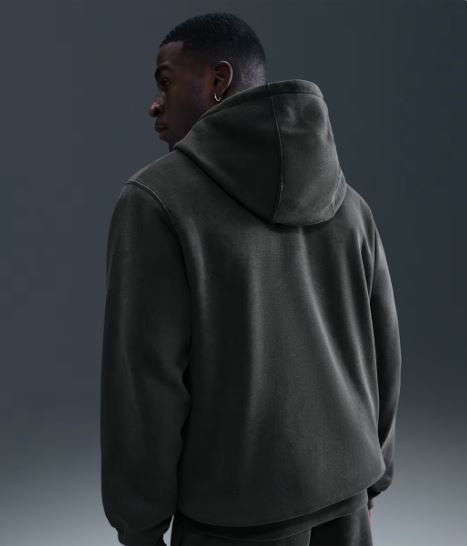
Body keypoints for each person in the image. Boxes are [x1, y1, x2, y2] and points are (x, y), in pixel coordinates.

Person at [100, 11, 402, 546]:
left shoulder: (155, 204)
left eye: (165, 84)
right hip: (347, 503)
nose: (154, 104)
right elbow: (384, 354)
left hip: (232, 522)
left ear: (218, 81)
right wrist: (372, 484)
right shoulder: (352, 206)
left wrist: (139, 528)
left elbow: (145, 387)